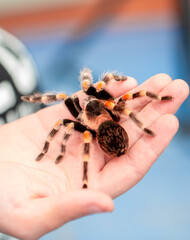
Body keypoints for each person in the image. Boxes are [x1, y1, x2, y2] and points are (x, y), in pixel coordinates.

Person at [0, 73, 189, 240]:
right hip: (109, 130)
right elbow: (127, 96)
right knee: (127, 100)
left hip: (100, 133)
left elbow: (64, 124)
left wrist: (59, 146)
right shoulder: (111, 106)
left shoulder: (85, 123)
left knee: (66, 108)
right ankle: (146, 123)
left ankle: (83, 176)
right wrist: (112, 79)